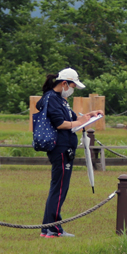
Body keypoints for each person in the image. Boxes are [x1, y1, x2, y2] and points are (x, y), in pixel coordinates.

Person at [38, 68, 103, 237]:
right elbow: (60, 123)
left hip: (66, 147)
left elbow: (74, 119)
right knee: (59, 188)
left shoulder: (61, 100)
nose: (73, 89)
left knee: (60, 188)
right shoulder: (52, 99)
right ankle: (52, 228)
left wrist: (90, 115)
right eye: (73, 85)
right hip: (59, 148)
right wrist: (79, 121)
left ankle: (49, 227)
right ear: (64, 83)